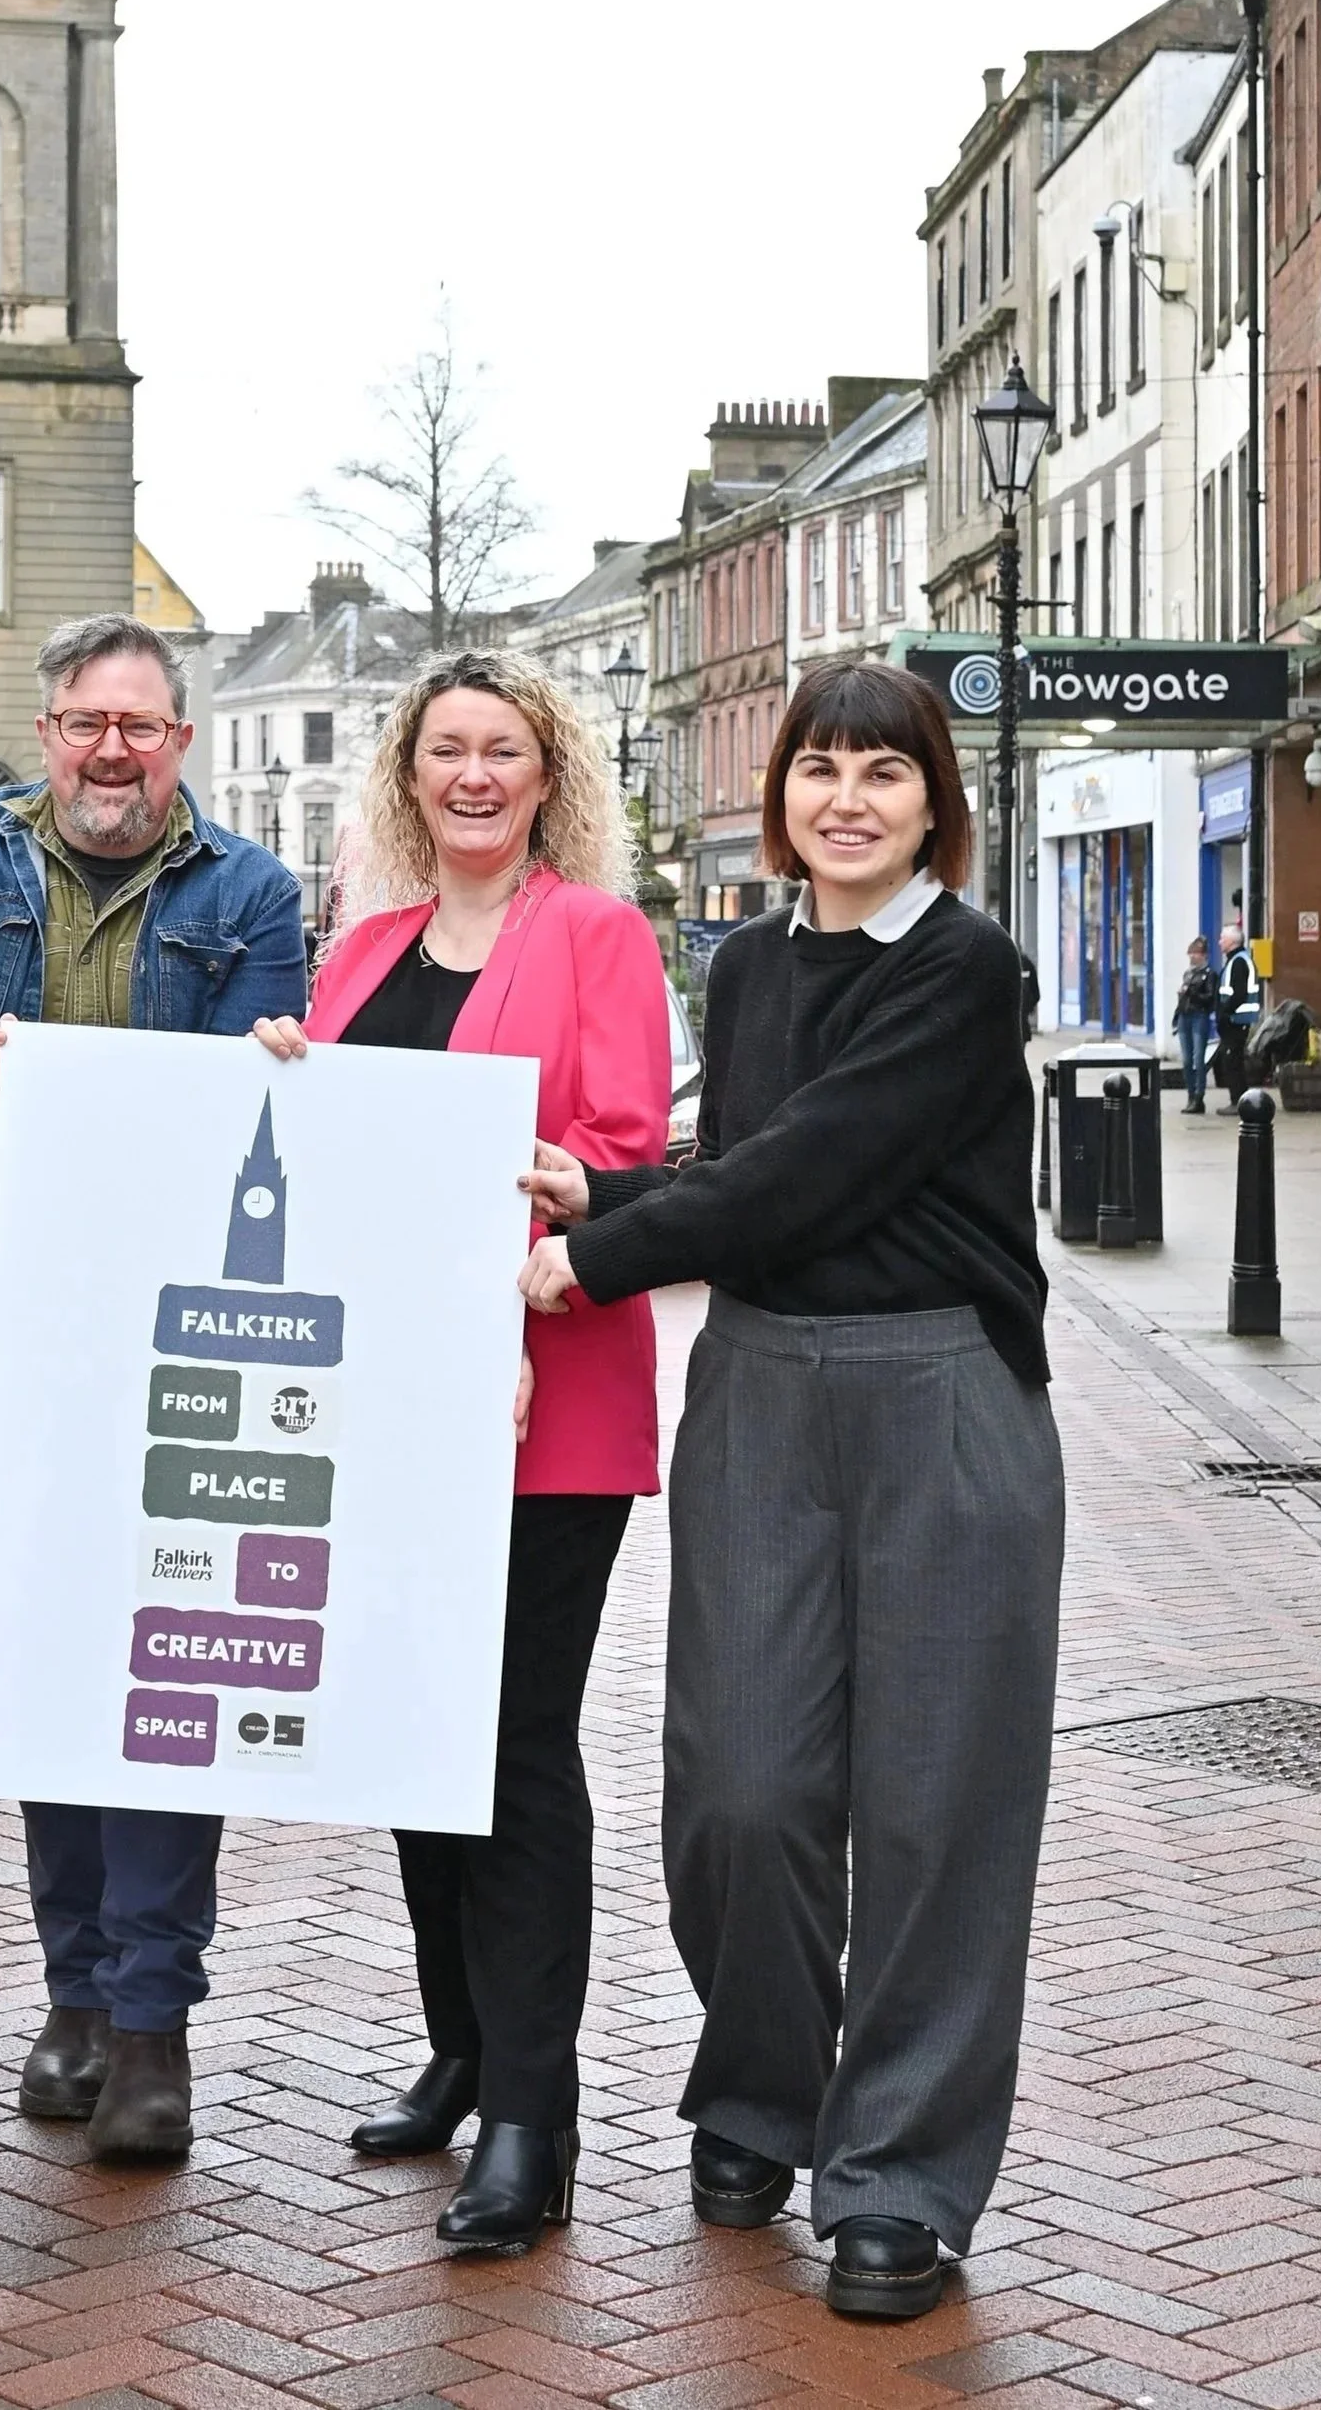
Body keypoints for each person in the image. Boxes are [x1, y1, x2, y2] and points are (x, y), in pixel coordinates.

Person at [523, 659, 1059, 2327]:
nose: (847, 799)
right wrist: (610, 1183)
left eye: (884, 775)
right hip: (758, 1392)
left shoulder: (970, 967)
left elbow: (830, 1162)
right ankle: (764, 2082)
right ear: (782, 795)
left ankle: (897, 2175)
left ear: (933, 803)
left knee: (932, 1810)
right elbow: (758, 1165)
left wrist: (595, 1254)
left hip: (942, 1402)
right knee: (740, 1790)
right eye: (819, 769)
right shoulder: (746, 961)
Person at [251, 652, 669, 2257]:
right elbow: (333, 1153)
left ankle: (532, 2118)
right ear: (409, 776)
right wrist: (290, 1073)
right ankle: (463, 2043)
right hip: (386, 1407)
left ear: (547, 772)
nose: (475, 774)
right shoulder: (359, 949)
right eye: (448, 751)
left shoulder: (600, 933)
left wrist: (556, 1182)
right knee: (415, 1728)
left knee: (514, 1746)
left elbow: (628, 1154)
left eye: (505, 749)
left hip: (544, 1402)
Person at [0, 613, 307, 2161]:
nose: (109, 749)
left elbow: (240, 1090)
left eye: (139, 723)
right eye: (82, 721)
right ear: (48, 730)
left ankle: (152, 2018)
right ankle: (72, 1991)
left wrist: (266, 1060)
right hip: (7, 1309)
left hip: (175, 1318)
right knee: (48, 1661)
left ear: (179, 742)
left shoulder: (252, 891)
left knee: (164, 1675)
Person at [1212, 918, 1262, 1106]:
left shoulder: (1238, 962)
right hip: (1235, 1020)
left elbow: (1238, 994)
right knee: (1232, 1062)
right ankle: (1238, 1100)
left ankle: (1239, 1102)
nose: (1219, 942)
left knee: (1233, 1063)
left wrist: (1225, 1015)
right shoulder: (1237, 960)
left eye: (1222, 938)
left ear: (1232, 941)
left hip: (1236, 1021)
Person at [1173, 935, 1220, 1113]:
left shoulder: (1210, 974)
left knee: (1198, 1059)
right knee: (1186, 1059)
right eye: (1190, 953)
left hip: (1199, 1016)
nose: (1192, 957)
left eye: (1195, 954)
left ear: (1204, 955)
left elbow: (1209, 998)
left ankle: (1199, 1096)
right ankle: (1190, 1095)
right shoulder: (1189, 973)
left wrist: (1191, 993)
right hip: (1185, 1016)